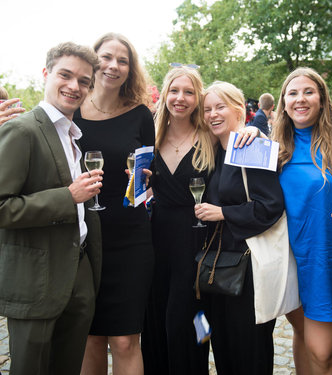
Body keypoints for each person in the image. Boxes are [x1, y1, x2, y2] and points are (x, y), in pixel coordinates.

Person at [0, 42, 103, 375]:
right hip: (35, 281)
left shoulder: (72, 136)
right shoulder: (21, 131)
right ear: (46, 74)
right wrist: (68, 195)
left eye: (84, 81)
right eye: (66, 75)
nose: (74, 86)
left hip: (78, 274)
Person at [268, 67, 332, 375]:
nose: (300, 99)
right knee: (302, 337)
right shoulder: (275, 147)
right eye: (292, 93)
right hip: (289, 261)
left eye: (308, 92)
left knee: (323, 355)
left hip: (326, 260)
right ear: (283, 102)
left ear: (323, 100)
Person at [73, 32, 155, 375]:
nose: (113, 66)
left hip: (130, 235)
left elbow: (152, 173)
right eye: (106, 57)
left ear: (130, 69)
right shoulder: (71, 110)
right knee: (89, 337)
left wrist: (147, 180)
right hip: (82, 237)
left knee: (124, 340)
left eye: (123, 60)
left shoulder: (140, 115)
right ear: (94, 60)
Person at [196, 81, 285, 375]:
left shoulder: (251, 147)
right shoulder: (210, 151)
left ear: (238, 110)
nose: (213, 114)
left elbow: (270, 206)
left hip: (248, 270)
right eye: (207, 109)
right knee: (221, 347)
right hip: (215, 268)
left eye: (220, 107)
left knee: (249, 350)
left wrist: (223, 213)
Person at [141, 65, 215, 375]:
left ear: (198, 98)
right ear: (165, 95)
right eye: (174, 91)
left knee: (185, 321)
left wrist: (251, 131)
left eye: (188, 92)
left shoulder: (211, 137)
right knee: (155, 320)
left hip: (196, 241)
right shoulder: (150, 136)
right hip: (155, 240)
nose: (180, 98)